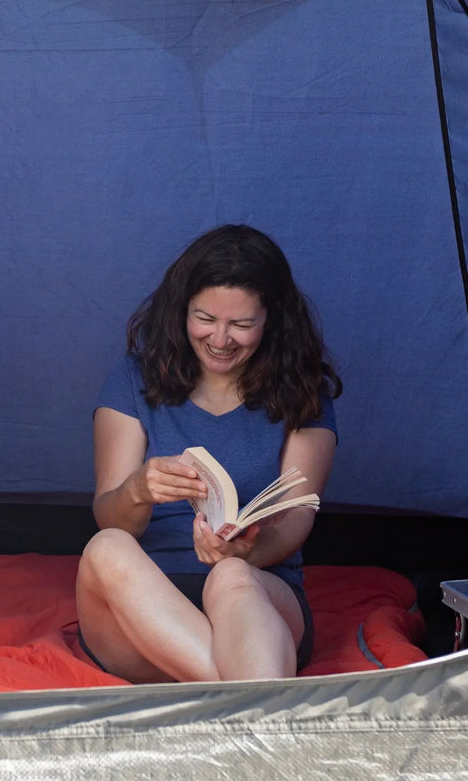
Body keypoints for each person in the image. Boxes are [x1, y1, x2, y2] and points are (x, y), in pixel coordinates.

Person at [75, 224, 340, 683]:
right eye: (205, 319)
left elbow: (298, 518)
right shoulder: (133, 379)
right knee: (107, 547)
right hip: (144, 608)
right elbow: (109, 515)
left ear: (272, 320)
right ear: (180, 312)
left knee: (228, 579)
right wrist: (138, 490)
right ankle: (253, 696)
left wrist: (242, 555)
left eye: (242, 324)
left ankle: (238, 695)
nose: (221, 339)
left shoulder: (302, 389)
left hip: (255, 596)